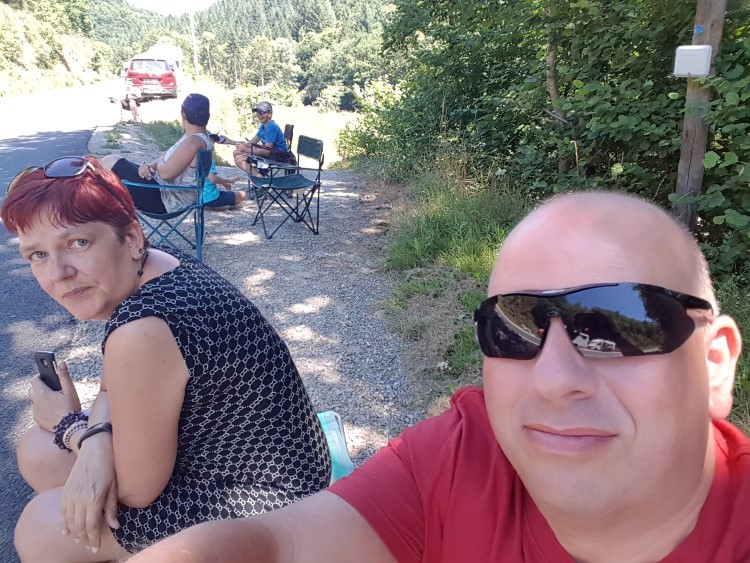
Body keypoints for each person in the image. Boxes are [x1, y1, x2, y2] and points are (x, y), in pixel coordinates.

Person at [132, 191, 749, 562]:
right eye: (514, 327)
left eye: (614, 326)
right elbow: (279, 547)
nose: (555, 378)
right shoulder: (460, 459)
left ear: (715, 363)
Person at [2, 156, 331, 562]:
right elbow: (111, 386)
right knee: (38, 451)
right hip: (272, 462)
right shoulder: (158, 264)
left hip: (268, 504)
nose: (57, 273)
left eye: (78, 243)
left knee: (38, 527)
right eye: (37, 255)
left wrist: (71, 427)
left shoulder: (142, 330)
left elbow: (137, 490)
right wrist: (95, 440)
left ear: (131, 237)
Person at [100, 93, 215, 215]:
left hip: (164, 198)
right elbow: (166, 156)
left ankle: (96, 214)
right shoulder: (195, 138)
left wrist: (160, 161)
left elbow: (165, 173)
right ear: (207, 116)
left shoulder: (193, 142)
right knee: (108, 164)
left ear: (183, 115)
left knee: (109, 163)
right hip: (162, 189)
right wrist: (149, 166)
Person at [232, 101, 294, 176]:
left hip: (278, 156)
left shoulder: (271, 126)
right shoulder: (263, 126)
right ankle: (257, 174)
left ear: (270, 114)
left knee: (239, 160)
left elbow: (267, 152)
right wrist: (230, 142)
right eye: (257, 113)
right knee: (236, 152)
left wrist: (245, 150)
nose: (259, 115)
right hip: (272, 154)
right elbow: (250, 144)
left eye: (262, 113)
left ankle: (261, 178)